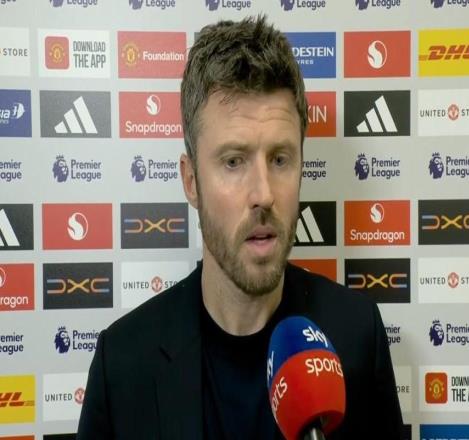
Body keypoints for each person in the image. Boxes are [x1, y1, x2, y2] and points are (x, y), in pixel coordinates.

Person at [77, 15, 403, 440]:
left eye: (280, 159)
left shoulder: (357, 337)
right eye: (233, 162)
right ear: (191, 181)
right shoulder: (122, 363)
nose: (263, 194)